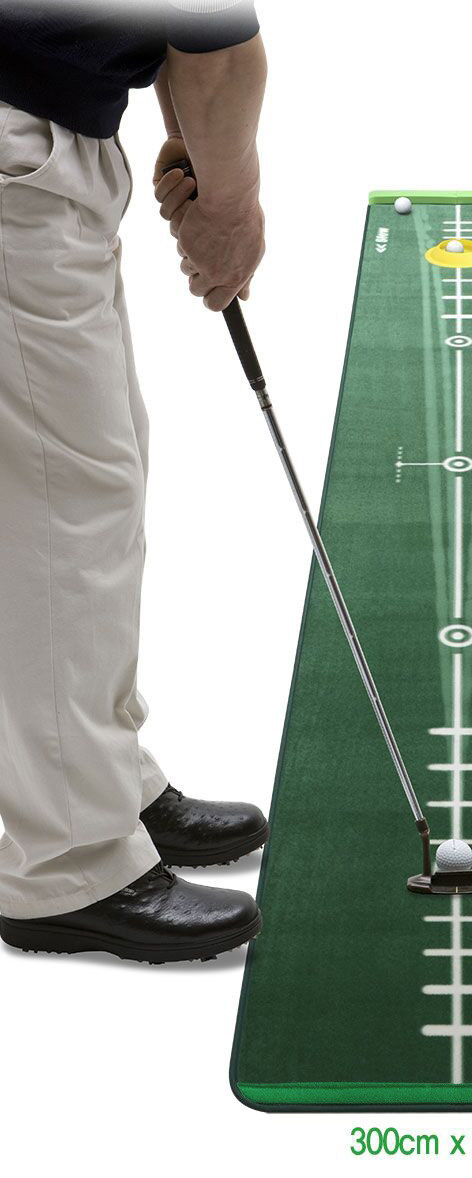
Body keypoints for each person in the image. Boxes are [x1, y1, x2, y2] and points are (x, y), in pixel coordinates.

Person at [0, 0, 270, 963]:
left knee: (92, 482)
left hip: (41, 139)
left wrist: (194, 148)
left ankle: (98, 781)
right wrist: (228, 212)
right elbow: (217, 52)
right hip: (17, 146)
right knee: (63, 511)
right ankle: (66, 862)